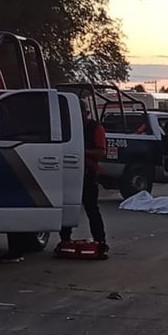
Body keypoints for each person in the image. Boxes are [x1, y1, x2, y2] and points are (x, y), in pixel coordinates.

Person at [57, 101, 108, 255]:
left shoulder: (95, 128)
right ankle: (65, 239)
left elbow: (101, 152)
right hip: (69, 173)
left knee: (92, 208)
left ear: (85, 113)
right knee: (67, 207)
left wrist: (81, 151)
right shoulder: (67, 129)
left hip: (88, 173)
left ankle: (100, 240)